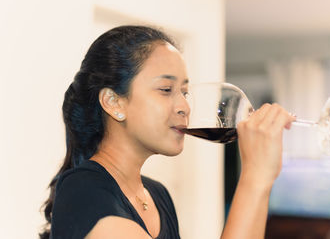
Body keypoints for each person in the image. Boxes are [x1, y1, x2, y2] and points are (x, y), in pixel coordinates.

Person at [39, 25, 295, 239]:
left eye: (185, 92)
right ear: (114, 102)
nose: (184, 106)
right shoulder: (83, 191)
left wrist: (261, 177)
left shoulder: (157, 195)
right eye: (165, 90)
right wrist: (255, 175)